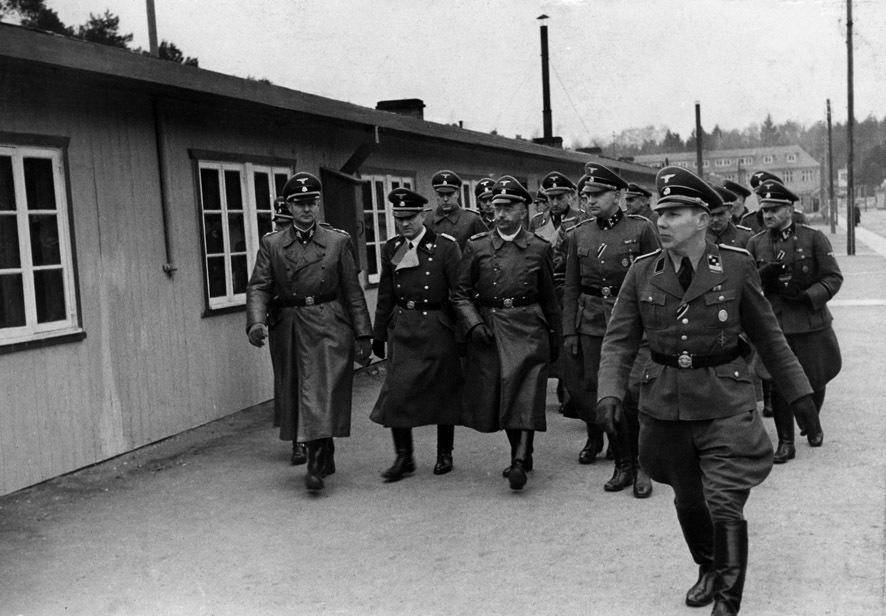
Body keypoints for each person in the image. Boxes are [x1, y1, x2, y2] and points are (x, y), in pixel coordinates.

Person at [596, 166, 820, 616]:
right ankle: (707, 567)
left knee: (724, 498)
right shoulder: (642, 272)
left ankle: (727, 603)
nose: (662, 222)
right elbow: (619, 339)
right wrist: (609, 392)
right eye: (660, 213)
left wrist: (800, 397)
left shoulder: (735, 266)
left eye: (675, 213)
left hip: (725, 399)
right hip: (666, 404)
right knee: (688, 498)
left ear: (701, 218)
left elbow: (769, 337)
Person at [246, 171, 372, 493]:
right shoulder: (273, 244)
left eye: (311, 202)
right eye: (299, 203)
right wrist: (256, 321)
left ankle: (315, 463)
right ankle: (322, 450)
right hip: (290, 324)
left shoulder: (337, 241)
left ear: (318, 205)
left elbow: (352, 291)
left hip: (329, 322)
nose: (306, 210)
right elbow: (260, 286)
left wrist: (363, 334)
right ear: (289, 206)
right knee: (301, 393)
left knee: (322, 391)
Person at [453, 175, 561, 491]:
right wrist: (473, 324)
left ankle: (518, 461)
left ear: (523, 211)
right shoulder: (477, 247)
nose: (500, 213)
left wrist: (556, 338)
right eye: (497, 207)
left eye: (509, 207)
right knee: (503, 395)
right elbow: (460, 292)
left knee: (525, 392)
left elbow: (550, 298)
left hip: (529, 326)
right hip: (491, 327)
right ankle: (521, 453)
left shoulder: (539, 249)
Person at [560, 163, 659, 496]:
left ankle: (644, 465)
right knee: (603, 395)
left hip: (633, 322)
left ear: (617, 195)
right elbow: (571, 286)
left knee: (635, 393)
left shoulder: (642, 229)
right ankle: (622, 464)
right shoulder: (579, 233)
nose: (589, 200)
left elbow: (656, 280)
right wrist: (569, 332)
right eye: (585, 195)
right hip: (591, 324)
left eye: (596, 194)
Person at [370, 187, 464, 480]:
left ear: (423, 215)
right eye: (399, 218)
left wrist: (461, 333)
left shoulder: (445, 247)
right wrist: (379, 333)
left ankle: (444, 454)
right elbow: (386, 292)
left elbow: (459, 293)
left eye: (410, 217)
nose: (405, 224)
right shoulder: (394, 247)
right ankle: (404, 457)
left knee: (442, 392)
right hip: (403, 325)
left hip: (436, 324)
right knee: (396, 393)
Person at [746, 179, 842, 463]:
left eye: (775, 209)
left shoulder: (813, 238)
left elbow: (833, 277)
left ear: (789, 209)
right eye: (765, 211)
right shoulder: (756, 243)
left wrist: (809, 295)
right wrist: (763, 279)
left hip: (810, 321)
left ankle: (812, 423)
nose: (768, 216)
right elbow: (747, 286)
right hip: (774, 324)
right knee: (777, 382)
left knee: (816, 375)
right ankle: (785, 442)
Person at [264, 196, 306, 466]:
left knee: (309, 379)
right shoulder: (270, 246)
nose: (281, 229)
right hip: (281, 321)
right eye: (279, 224)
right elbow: (261, 283)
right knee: (288, 380)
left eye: (286, 224)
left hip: (311, 318)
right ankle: (297, 441)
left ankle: (308, 438)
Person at [427, 170, 487, 249]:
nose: (445, 199)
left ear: (457, 194)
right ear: (435, 194)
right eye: (441, 194)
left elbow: (486, 251)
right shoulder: (427, 220)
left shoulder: (472, 220)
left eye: (449, 194)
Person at [741, 171, 806, 233]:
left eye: (766, 192)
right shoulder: (748, 220)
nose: (762, 197)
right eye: (759, 193)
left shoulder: (796, 217)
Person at [707, 184, 753, 249]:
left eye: (720, 214)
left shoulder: (745, 238)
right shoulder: (697, 237)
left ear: (730, 211)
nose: (715, 220)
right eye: (711, 215)